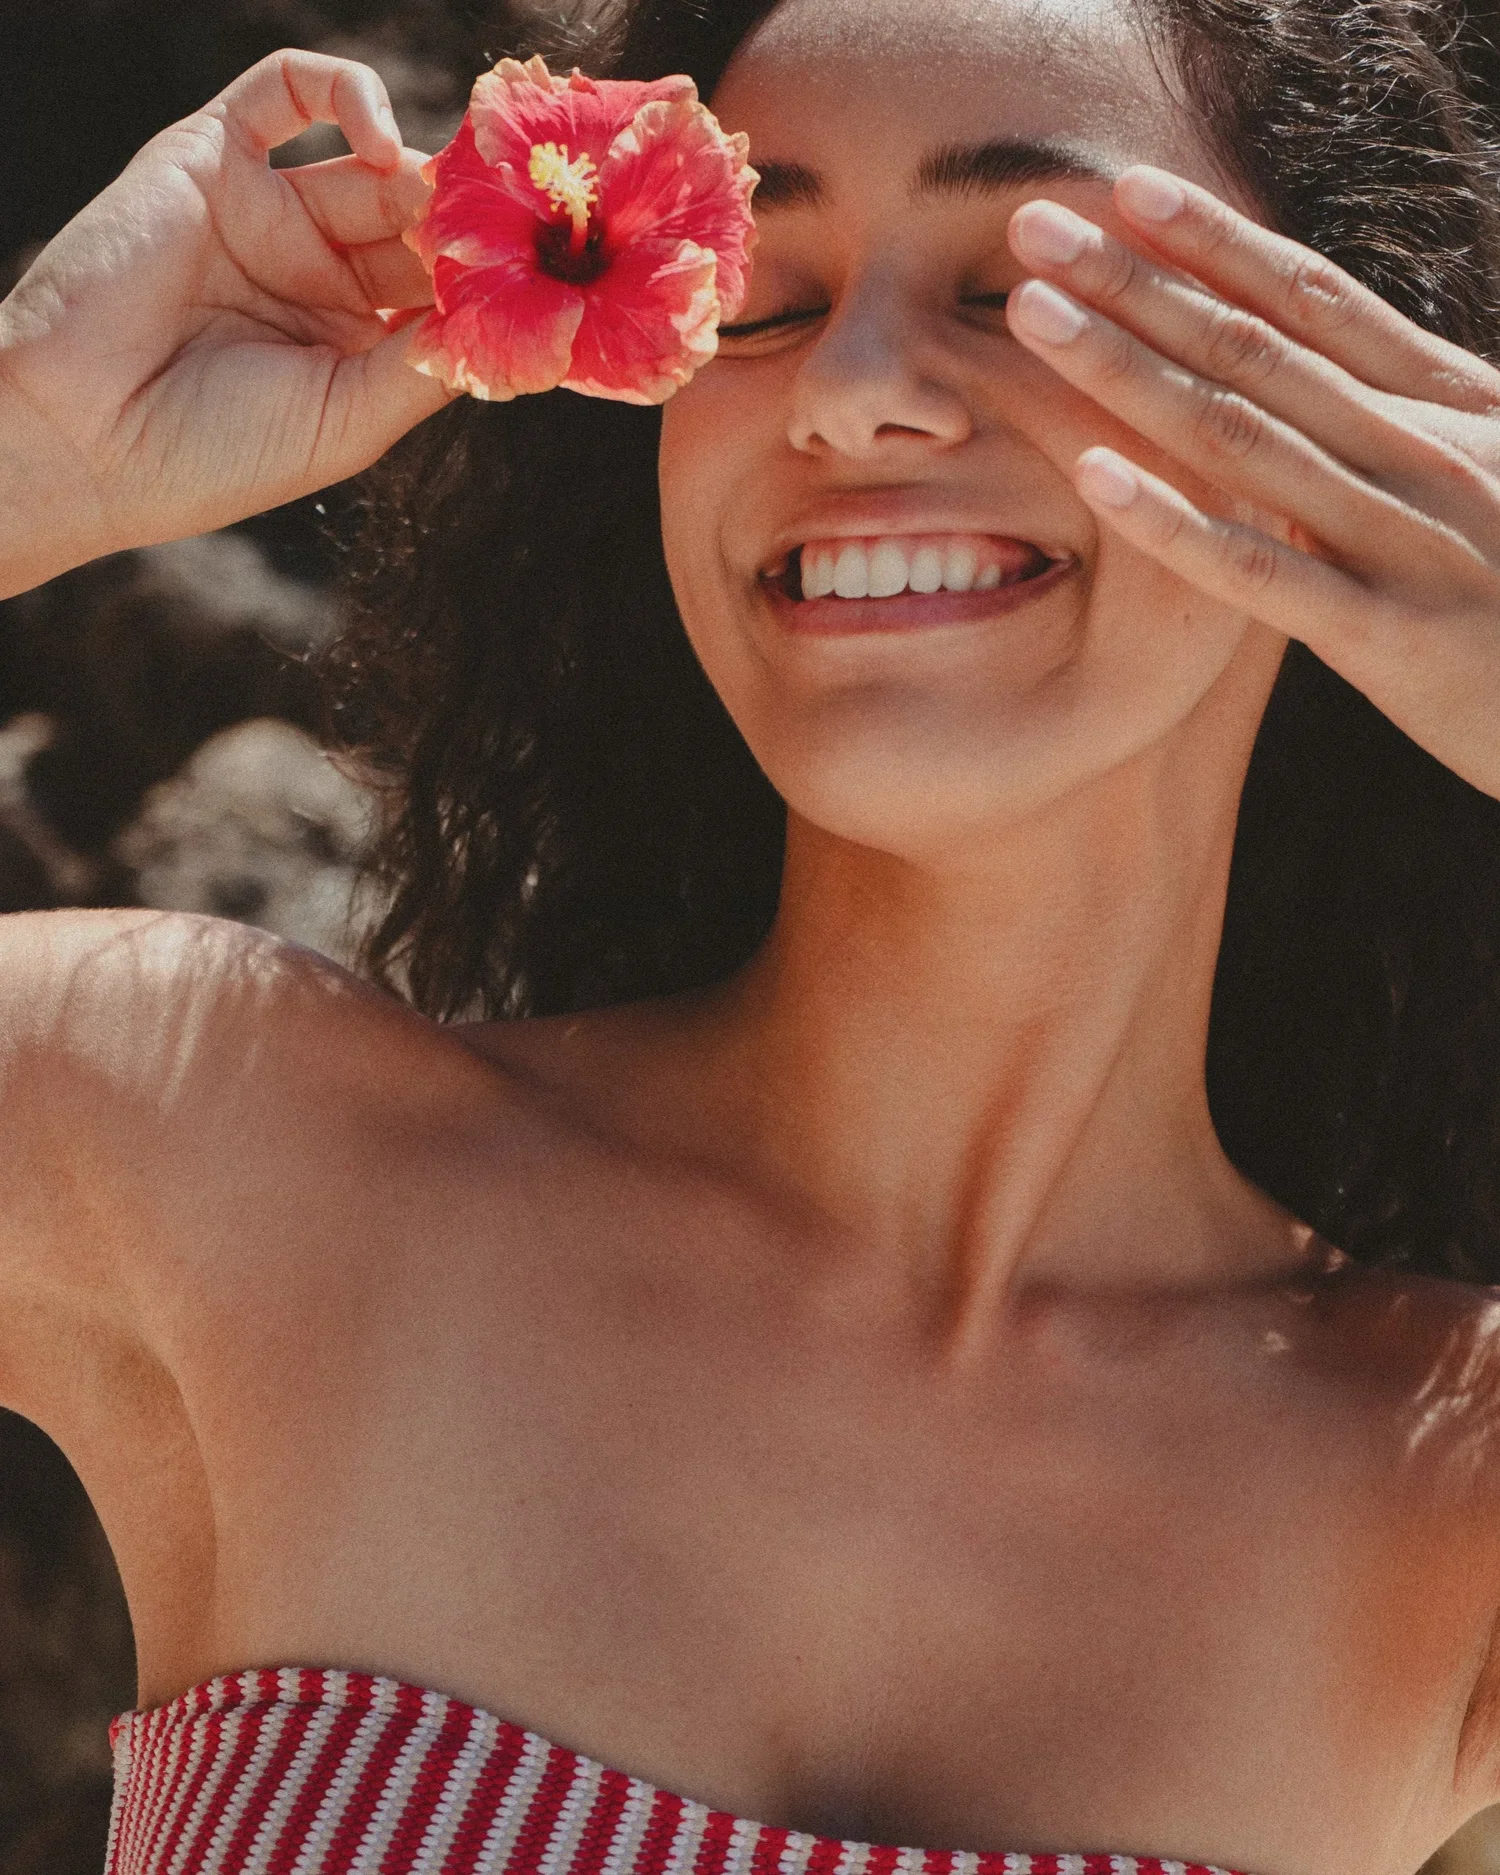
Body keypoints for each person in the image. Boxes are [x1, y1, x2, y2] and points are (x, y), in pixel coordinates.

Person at [3, 0, 1500, 1868]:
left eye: (1027, 282)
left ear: (1360, 393)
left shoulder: (1446, 1493)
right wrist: (36, 442)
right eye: (760, 295)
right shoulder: (209, 1135)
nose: (845, 390)